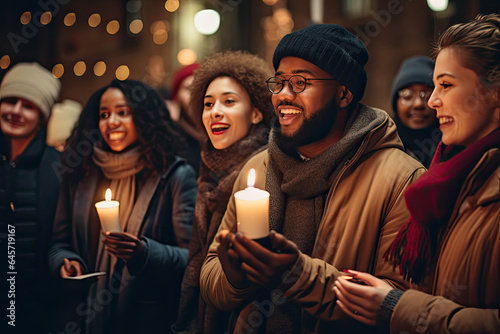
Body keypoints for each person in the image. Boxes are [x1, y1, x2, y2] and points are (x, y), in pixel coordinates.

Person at [199, 24, 426, 333]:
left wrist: (297, 276)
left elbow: (398, 303)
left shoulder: (402, 179)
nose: (283, 95)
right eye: (278, 82)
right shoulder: (260, 167)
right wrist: (236, 276)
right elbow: (210, 272)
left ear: (344, 93)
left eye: (300, 82)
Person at [334, 13, 500, 333]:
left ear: (494, 92)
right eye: (433, 86)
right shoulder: (454, 177)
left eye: (446, 85)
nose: (432, 101)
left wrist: (400, 307)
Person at [48, 79, 197, 334]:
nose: (112, 122)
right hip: (84, 319)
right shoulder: (80, 172)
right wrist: (66, 261)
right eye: (104, 115)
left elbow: (191, 258)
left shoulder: (174, 176)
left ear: (145, 118)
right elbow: (59, 243)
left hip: (145, 320)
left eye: (123, 112)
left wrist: (144, 253)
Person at [172, 50, 273, 334]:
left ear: (256, 113)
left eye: (229, 101)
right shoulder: (208, 171)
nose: (215, 111)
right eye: (207, 104)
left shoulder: (269, 172)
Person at [0, 62, 61, 333]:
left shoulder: (58, 167)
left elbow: (63, 235)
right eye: (10, 101)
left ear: (42, 116)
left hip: (38, 307)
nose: (15, 111)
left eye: (27, 105)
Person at [391, 56, 441, 167]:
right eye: (407, 95)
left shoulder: (453, 147)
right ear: (395, 103)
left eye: (427, 94)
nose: (418, 104)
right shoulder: (380, 144)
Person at [166, 63, 205, 175]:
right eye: (189, 88)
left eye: (201, 88)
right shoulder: (171, 136)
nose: (195, 95)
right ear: (176, 97)